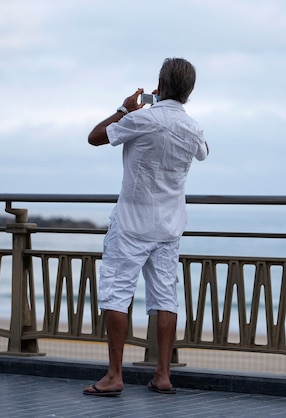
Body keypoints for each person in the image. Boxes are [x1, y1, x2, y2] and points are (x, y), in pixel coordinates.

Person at [83, 58, 209, 397]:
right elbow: (203, 152)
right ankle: (163, 374)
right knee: (165, 298)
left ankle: (114, 375)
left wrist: (123, 110)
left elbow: (95, 137)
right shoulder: (193, 127)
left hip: (131, 224)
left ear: (160, 85)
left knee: (117, 294)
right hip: (169, 226)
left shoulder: (141, 118)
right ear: (190, 91)